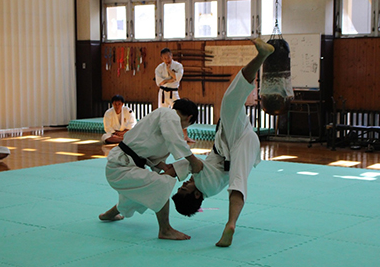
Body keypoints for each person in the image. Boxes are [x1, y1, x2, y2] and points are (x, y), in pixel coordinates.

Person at [170, 38, 275, 247]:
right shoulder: (203, 183)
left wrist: (163, 168)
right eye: (184, 189)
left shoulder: (208, 186)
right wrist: (179, 146)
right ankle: (261, 56)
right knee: (230, 100)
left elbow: (187, 168)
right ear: (196, 194)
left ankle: (231, 224)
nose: (183, 185)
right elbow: (195, 164)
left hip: (238, 144)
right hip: (235, 140)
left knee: (238, 181)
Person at [98, 98, 204, 240]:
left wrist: (162, 166)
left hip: (123, 165)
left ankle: (108, 215)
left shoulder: (162, 118)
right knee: (161, 184)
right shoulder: (169, 115)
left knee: (138, 194)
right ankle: (165, 229)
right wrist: (193, 160)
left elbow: (146, 151)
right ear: (189, 117)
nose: (182, 130)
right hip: (120, 166)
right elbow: (176, 141)